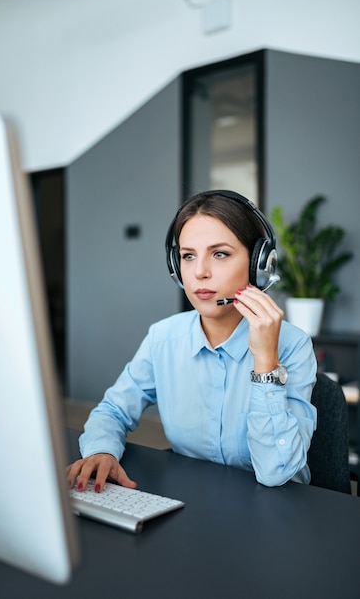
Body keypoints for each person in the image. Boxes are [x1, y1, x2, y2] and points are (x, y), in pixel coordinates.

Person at [67, 190, 317, 492]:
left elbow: (275, 473)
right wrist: (101, 450)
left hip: (279, 513)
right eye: (188, 256)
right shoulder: (163, 338)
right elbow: (113, 411)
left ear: (259, 265)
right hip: (193, 505)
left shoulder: (293, 345)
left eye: (220, 254)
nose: (199, 272)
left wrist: (265, 362)